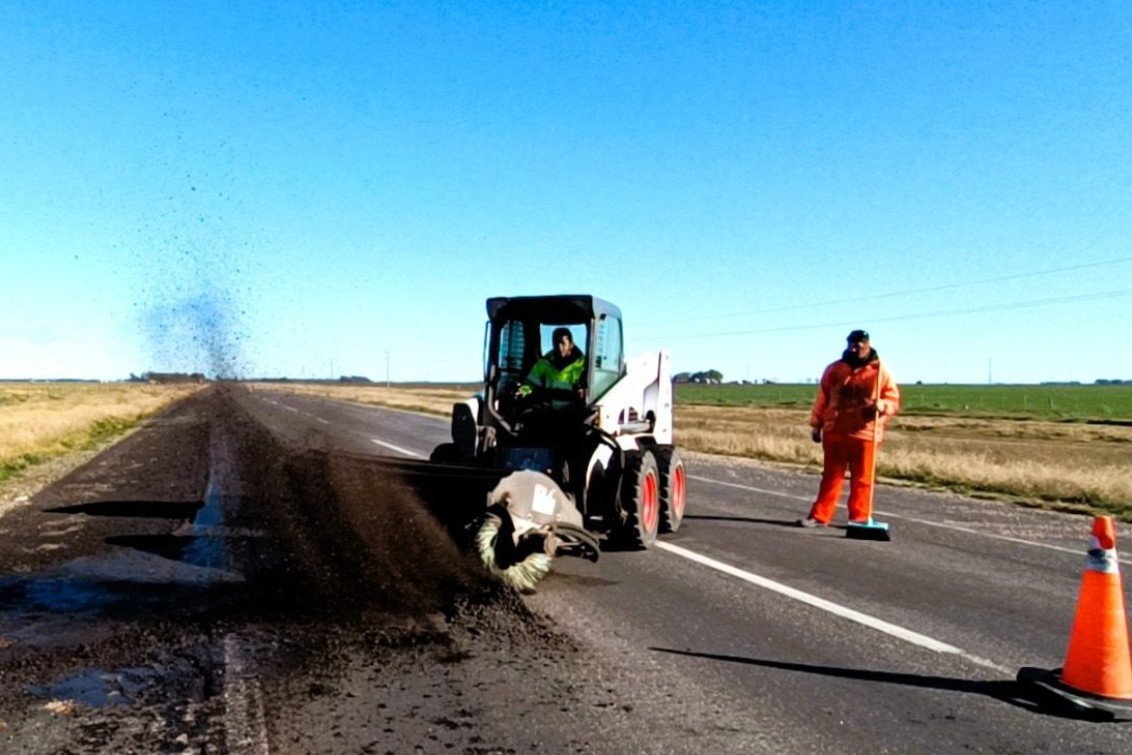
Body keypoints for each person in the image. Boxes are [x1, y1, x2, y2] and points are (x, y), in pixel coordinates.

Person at [800, 329, 900, 527]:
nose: (854, 349)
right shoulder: (834, 369)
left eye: (859, 345)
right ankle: (820, 516)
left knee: (863, 479)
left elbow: (893, 400)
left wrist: (883, 406)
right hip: (835, 430)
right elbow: (823, 399)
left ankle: (860, 518)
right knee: (831, 477)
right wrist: (816, 424)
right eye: (851, 345)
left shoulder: (880, 371)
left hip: (865, 433)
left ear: (868, 345)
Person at [519, 327, 586, 404]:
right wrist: (523, 391)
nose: (559, 347)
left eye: (563, 343)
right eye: (556, 343)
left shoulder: (582, 365)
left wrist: (584, 392)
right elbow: (531, 384)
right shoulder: (544, 363)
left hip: (573, 412)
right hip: (547, 411)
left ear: (571, 345)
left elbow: (590, 389)